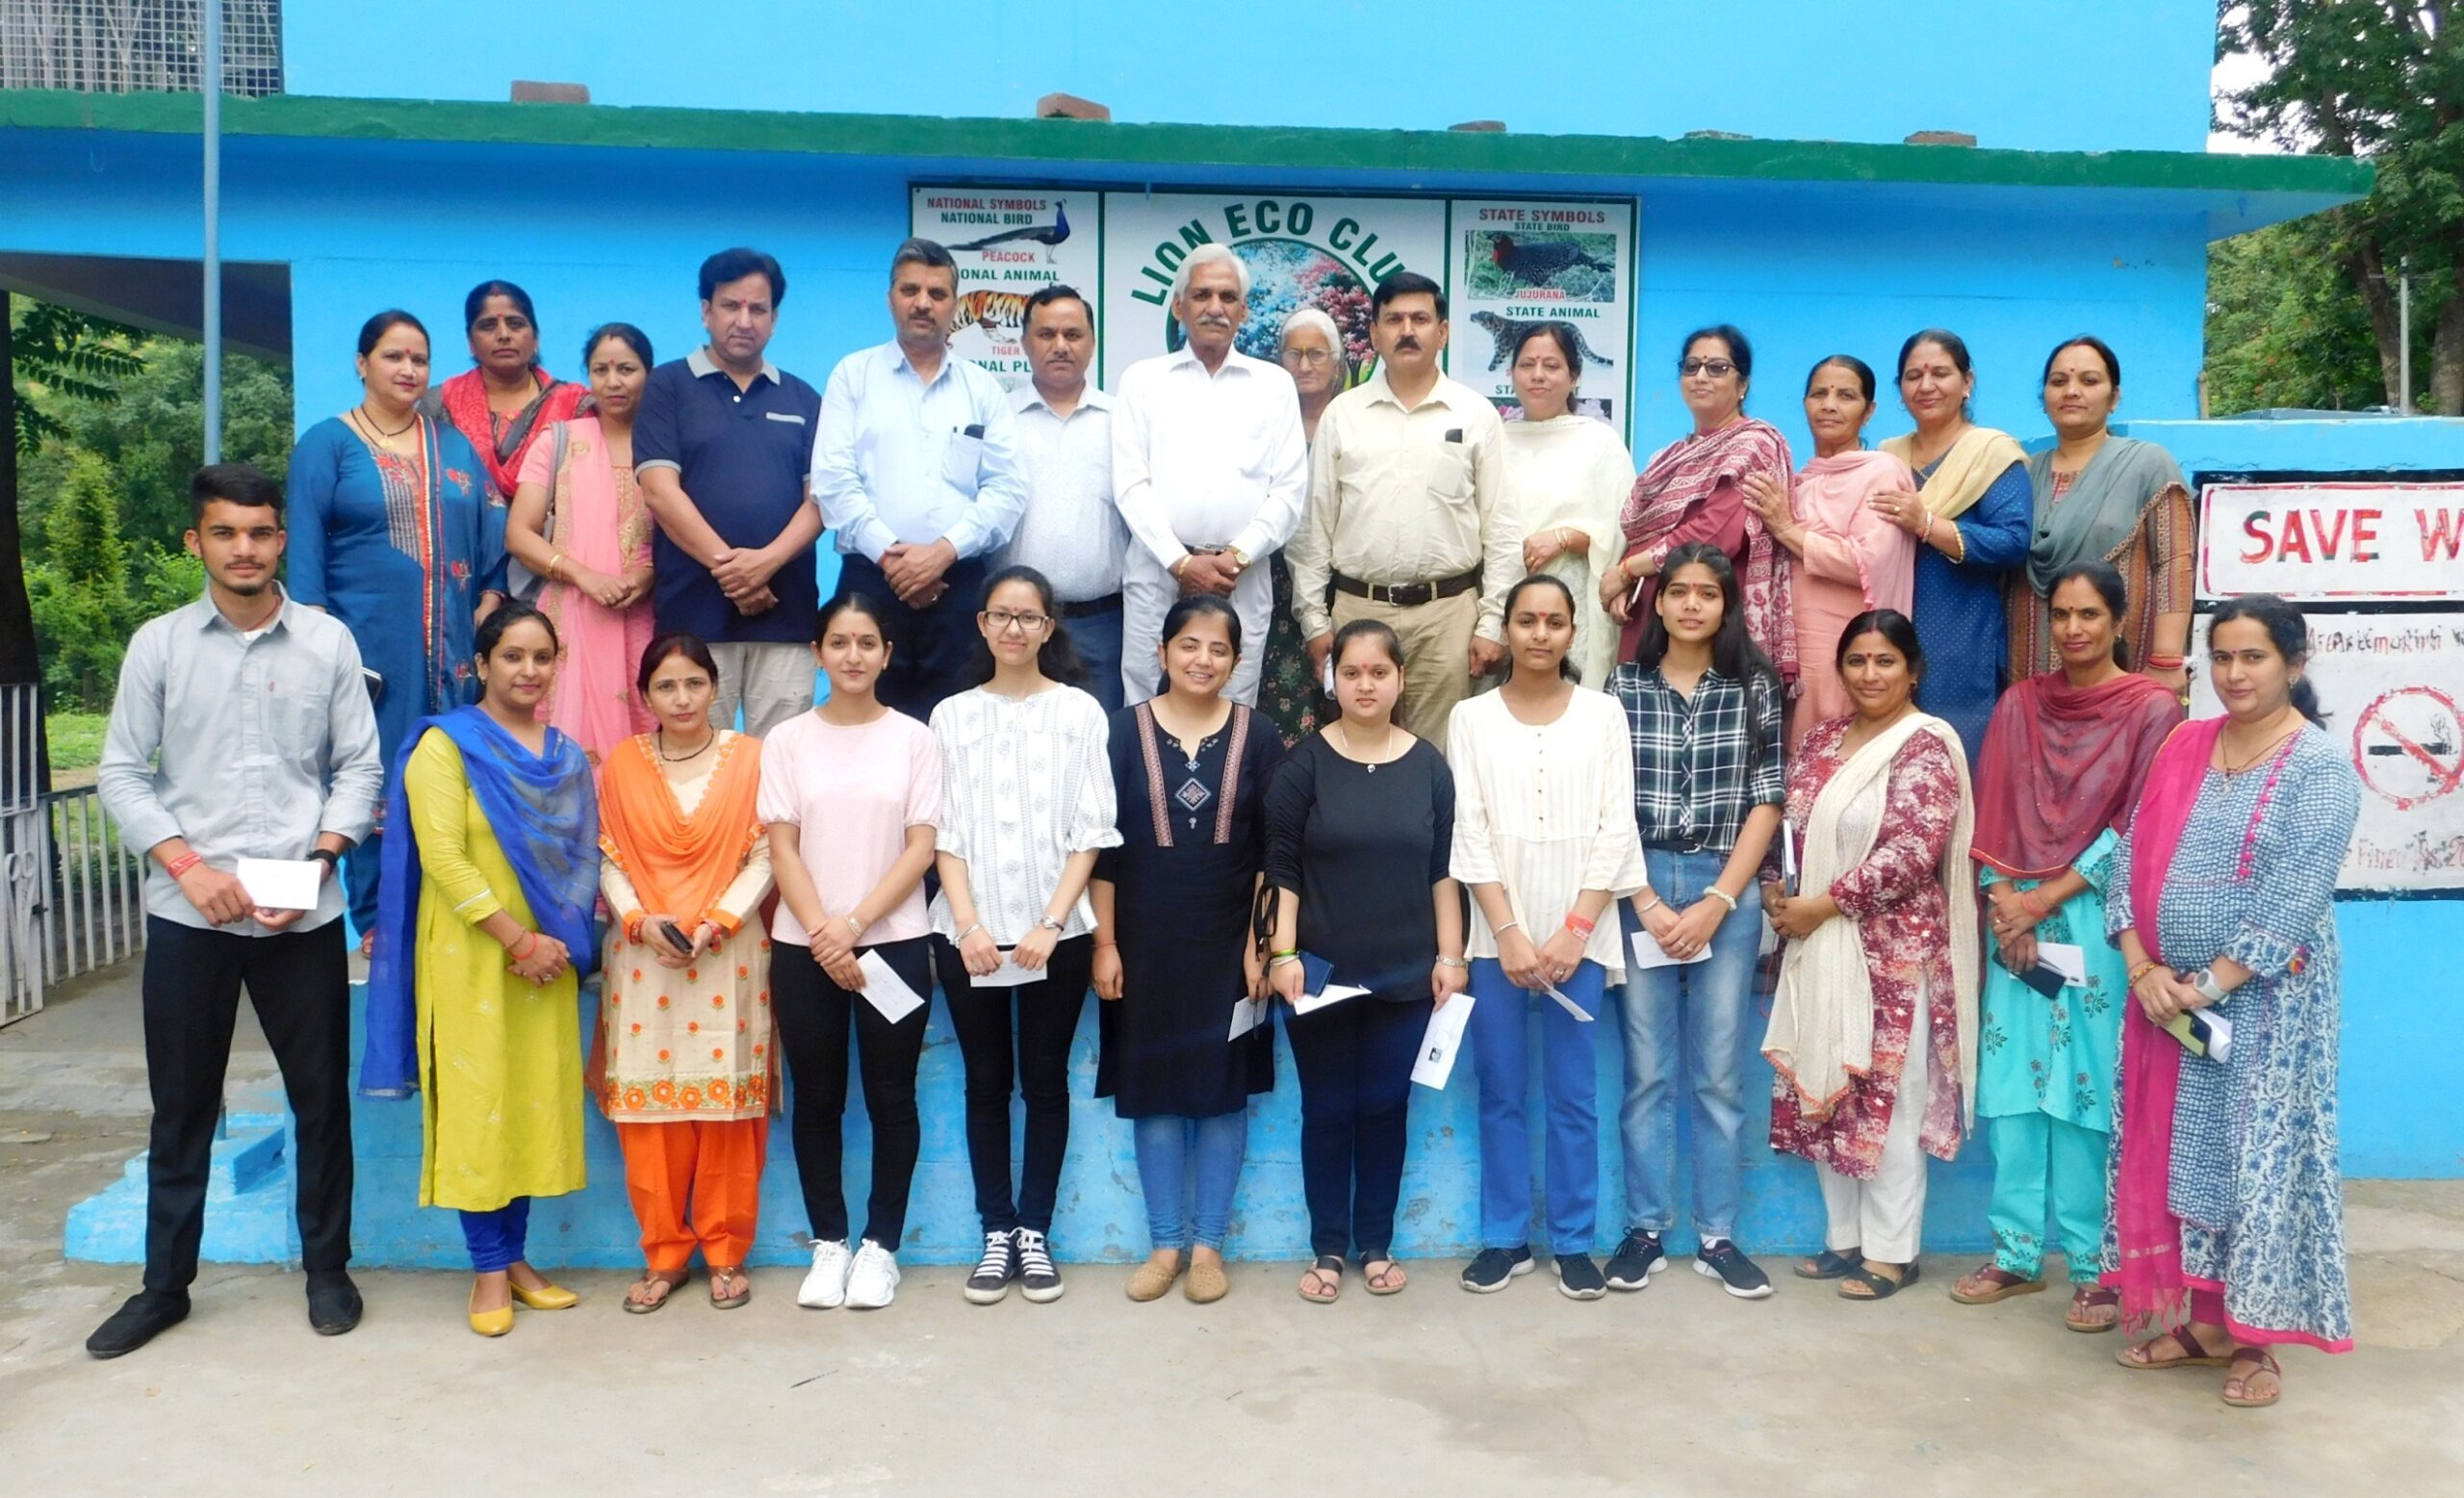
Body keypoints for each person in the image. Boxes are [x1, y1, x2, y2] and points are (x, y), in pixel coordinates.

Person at [86, 464, 383, 1359]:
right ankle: (163, 1288)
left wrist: (319, 863)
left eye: (258, 532)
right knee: (182, 1106)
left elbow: (358, 767)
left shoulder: (327, 642)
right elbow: (122, 772)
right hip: (191, 914)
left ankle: (327, 1270)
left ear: (280, 541)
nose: (243, 549)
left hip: (302, 916)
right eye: (225, 533)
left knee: (319, 1102)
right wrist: (188, 867)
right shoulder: (161, 646)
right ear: (197, 542)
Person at [2107, 594, 2361, 1409]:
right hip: (2168, 1002)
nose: (2235, 673)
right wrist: (2142, 969)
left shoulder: (2319, 768)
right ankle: (2208, 1325)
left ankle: (2258, 1341)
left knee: (2257, 1160)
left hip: (2269, 1007)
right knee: (2190, 1161)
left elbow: (2292, 898)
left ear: (2294, 663)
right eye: (2221, 657)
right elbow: (2128, 857)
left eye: (2254, 657)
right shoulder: (2186, 743)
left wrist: (2205, 986)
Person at [362, 604, 601, 1337]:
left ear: (557, 666)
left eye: (541, 657)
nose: (528, 670)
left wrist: (553, 942)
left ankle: (518, 1260)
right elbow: (443, 856)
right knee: (477, 1104)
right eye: (512, 656)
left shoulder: (566, 755)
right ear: (482, 664)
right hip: (472, 954)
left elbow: (581, 859)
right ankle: (489, 1268)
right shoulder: (445, 746)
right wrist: (517, 940)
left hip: (547, 960)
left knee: (527, 1103)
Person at [1953, 563, 2180, 1329]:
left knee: (2087, 1091)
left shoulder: (2151, 709)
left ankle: (2093, 1266)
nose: (2074, 629)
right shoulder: (2020, 705)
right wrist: (2003, 905)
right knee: (2013, 1086)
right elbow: (1991, 810)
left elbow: (2137, 823)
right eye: (2062, 615)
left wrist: (2043, 901)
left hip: (2096, 920)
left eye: (2089, 615)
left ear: (2118, 622)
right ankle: (2016, 1254)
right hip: (2012, 915)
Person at [1762, 609, 1978, 1303]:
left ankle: (1892, 1252)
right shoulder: (1823, 740)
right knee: (1828, 1086)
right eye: (1857, 660)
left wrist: (1824, 904)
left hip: (1894, 952)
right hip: (1818, 943)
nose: (1870, 674)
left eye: (1885, 661)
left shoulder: (1926, 746)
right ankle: (1844, 1241)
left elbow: (1914, 852)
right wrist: (1778, 891)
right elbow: (1791, 828)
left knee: (1892, 1098)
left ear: (1913, 670)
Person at [1449, 575, 1647, 1298]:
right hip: (1494, 935)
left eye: (1555, 622)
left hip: (1580, 935)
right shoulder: (1471, 717)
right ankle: (1505, 1240)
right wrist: (1507, 932)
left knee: (1573, 1093)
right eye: (1527, 620)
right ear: (1506, 628)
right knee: (1500, 1089)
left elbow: (1616, 827)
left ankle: (1572, 1242)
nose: (1540, 634)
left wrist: (1575, 930)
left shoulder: (1603, 713)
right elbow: (1468, 829)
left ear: (1572, 631)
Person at [931, 566, 1120, 1304]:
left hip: (1057, 937)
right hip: (968, 935)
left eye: (1028, 617)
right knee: (985, 1083)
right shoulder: (951, 717)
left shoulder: (1080, 712)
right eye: (1001, 615)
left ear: (1048, 628)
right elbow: (944, 832)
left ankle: (1034, 1232)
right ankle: (996, 1231)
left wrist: (1050, 923)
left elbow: (1091, 830)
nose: (1014, 628)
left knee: (1044, 1082)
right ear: (982, 624)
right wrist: (969, 926)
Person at [1605, 542, 1787, 1301]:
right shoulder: (1623, 685)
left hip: (1726, 882)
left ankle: (1718, 1237)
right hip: (1640, 879)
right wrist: (1646, 900)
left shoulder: (1755, 687)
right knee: (1648, 1072)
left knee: (1717, 1074)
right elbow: (1607, 804)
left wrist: (1718, 901)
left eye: (1706, 593)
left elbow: (1767, 800)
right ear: (1659, 602)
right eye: (1676, 591)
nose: (1689, 604)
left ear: (1726, 605)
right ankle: (1645, 1231)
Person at [288, 309, 508, 937]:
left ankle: (450, 917)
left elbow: (493, 531)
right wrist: (318, 644)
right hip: (367, 650)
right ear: (362, 364)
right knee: (369, 772)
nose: (409, 369)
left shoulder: (453, 446)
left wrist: (491, 601)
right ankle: (377, 923)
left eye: (419, 359)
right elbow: (304, 552)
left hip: (454, 653)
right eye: (394, 356)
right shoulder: (329, 445)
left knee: (450, 773)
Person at [1265, 619, 1466, 1303]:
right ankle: (1328, 1249)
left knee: (1385, 1108)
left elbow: (1443, 870)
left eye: (1379, 672)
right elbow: (1282, 868)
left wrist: (1451, 956)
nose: (1365, 685)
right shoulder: (1304, 765)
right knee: (1326, 1110)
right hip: (1318, 973)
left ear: (1401, 679)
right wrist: (1282, 953)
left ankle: (1376, 1244)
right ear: (1333, 681)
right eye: (1351, 672)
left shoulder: (1429, 767)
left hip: (1406, 975)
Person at [1091, 596, 1284, 1304]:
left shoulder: (1258, 735)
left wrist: (1261, 946)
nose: (1203, 660)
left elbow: (1272, 854)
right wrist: (1105, 944)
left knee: (1223, 1095)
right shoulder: (1122, 732)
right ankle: (1165, 1244)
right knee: (1156, 1097)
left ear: (1236, 661)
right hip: (1144, 948)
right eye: (1189, 645)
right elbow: (1103, 852)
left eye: (1218, 649)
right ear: (1163, 651)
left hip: (1230, 949)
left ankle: (1208, 1249)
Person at [761, 592, 942, 1312]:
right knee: (818, 1099)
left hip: (894, 943)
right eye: (838, 642)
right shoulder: (787, 741)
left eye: (867, 642)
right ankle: (829, 1243)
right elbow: (782, 845)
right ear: (817, 653)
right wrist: (823, 933)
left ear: (887, 654)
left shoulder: (914, 739)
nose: (853, 655)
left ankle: (880, 1248)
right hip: (802, 948)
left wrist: (856, 924)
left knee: (893, 1097)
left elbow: (921, 846)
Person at [594, 633, 775, 1313]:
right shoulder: (622, 764)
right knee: (651, 1116)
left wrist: (716, 923)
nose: (681, 699)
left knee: (728, 1112)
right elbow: (607, 857)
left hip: (729, 953)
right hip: (644, 959)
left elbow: (767, 855)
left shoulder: (751, 759)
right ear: (646, 695)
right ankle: (664, 1255)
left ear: (715, 687)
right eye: (666, 686)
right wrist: (639, 922)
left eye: (694, 683)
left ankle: (726, 1252)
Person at [1290, 271, 1515, 754]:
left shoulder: (1475, 414)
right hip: (1358, 611)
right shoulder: (1343, 415)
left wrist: (1491, 623)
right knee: (1357, 752)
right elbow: (1313, 530)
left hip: (1447, 618)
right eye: (1393, 320)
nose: (1407, 331)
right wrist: (1315, 622)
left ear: (1443, 331)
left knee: (1442, 758)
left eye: (1420, 319)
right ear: (1374, 334)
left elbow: (1501, 529)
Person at [817, 238, 1028, 719]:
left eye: (937, 293)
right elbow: (833, 481)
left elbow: (1007, 489)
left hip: (958, 584)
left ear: (954, 304)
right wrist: (893, 558)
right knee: (865, 720)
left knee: (958, 722)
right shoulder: (853, 375)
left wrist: (943, 553)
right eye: (910, 290)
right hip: (871, 578)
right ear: (890, 297)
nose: (922, 303)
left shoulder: (982, 388)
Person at [635, 247, 825, 737]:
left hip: (786, 618)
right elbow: (659, 491)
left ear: (774, 319)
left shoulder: (804, 398)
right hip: (693, 618)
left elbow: (820, 502)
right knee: (695, 759)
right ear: (706, 311)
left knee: (782, 761)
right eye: (730, 306)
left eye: (758, 308)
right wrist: (737, 574)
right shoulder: (667, 387)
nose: (744, 320)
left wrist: (766, 564)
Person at [1113, 244, 1308, 710]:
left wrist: (1234, 559)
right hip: (1158, 571)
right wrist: (1181, 564)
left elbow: (1288, 493)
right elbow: (1130, 484)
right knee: (1144, 702)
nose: (1215, 307)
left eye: (1227, 297)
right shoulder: (1142, 381)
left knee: (1234, 705)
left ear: (1244, 311)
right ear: (1178, 306)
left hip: (1240, 577)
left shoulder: (1274, 385)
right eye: (1202, 295)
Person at [1872, 329, 2035, 762]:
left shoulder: (1990, 454)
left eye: (1940, 373)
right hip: (1886, 632)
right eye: (1913, 376)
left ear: (1967, 382)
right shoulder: (1886, 457)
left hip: (1961, 633)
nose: (1926, 386)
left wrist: (1927, 524)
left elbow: (2013, 541)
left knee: (1953, 756)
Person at [1602, 325, 1796, 688]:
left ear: (1743, 384)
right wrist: (1627, 584)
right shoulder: (1667, 456)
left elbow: (1713, 534)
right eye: (1691, 367)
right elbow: (1642, 532)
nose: (1701, 377)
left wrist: (1627, 571)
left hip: (1711, 611)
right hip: (1650, 610)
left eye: (1717, 368)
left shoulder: (1753, 445)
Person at [1741, 355, 1917, 749]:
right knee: (1793, 754)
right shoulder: (1798, 482)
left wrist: (1787, 529)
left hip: (1848, 644)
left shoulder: (1882, 473)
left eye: (1846, 396)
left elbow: (1865, 562)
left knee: (1841, 750)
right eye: (1819, 394)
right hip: (1790, 649)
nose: (1830, 405)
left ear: (1869, 411)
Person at [505, 323, 657, 762]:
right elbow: (518, 533)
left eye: (626, 369)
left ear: (648, 374)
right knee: (563, 744)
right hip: (568, 614)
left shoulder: (667, 447)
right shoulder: (560, 442)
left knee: (642, 742)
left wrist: (647, 576)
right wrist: (582, 575)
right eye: (600, 370)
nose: (613, 381)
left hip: (643, 617)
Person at [2011, 336, 2194, 700]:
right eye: (2059, 381)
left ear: (2114, 397)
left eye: (2089, 381)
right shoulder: (2023, 472)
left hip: (2124, 664)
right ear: (2044, 397)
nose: (2071, 391)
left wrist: (2167, 659)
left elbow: (2175, 562)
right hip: (2031, 663)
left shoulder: (2147, 464)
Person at [997, 285, 1126, 713]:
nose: (1060, 346)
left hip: (1101, 624)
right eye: (1046, 334)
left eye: (1072, 335)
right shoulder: (998, 419)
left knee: (1100, 743)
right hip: (1013, 625)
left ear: (1092, 344)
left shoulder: (1121, 421)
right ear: (1024, 343)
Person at [1503, 322, 1635, 688]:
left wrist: (1564, 538)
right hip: (1504, 600)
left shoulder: (1600, 442)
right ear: (1510, 373)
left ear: (1574, 376)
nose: (1538, 375)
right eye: (1527, 365)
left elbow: (1626, 531)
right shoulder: (1495, 440)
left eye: (1551, 365)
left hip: (1577, 605)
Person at [1260, 305, 1348, 742]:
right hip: (1274, 578)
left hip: (1342, 578)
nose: (1305, 365)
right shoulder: (1265, 423)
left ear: (1337, 363)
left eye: (1316, 354)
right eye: (1293, 354)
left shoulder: (1354, 419)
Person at [425, 279, 585, 504]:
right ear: (470, 342)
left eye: (516, 324)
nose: (503, 334)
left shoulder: (575, 407)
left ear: (536, 338)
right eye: (488, 326)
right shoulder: (437, 405)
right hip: (461, 526)